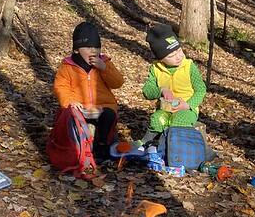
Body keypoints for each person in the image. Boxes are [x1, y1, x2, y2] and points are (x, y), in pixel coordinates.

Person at [52, 21, 124, 162]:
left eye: (97, 47)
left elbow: (118, 82)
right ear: (76, 50)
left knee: (109, 116)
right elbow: (61, 87)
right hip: (80, 107)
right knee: (74, 119)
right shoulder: (68, 67)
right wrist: (70, 101)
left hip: (103, 106)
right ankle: (80, 148)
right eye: (89, 47)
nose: (93, 51)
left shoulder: (105, 63)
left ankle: (103, 146)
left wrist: (104, 68)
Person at [140, 23, 206, 145]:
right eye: (171, 55)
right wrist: (161, 90)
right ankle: (146, 142)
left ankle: (173, 147)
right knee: (156, 120)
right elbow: (146, 91)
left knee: (179, 121)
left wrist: (188, 105)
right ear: (161, 59)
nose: (178, 57)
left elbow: (201, 90)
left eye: (179, 51)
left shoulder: (189, 66)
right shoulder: (156, 69)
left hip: (187, 108)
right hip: (166, 108)